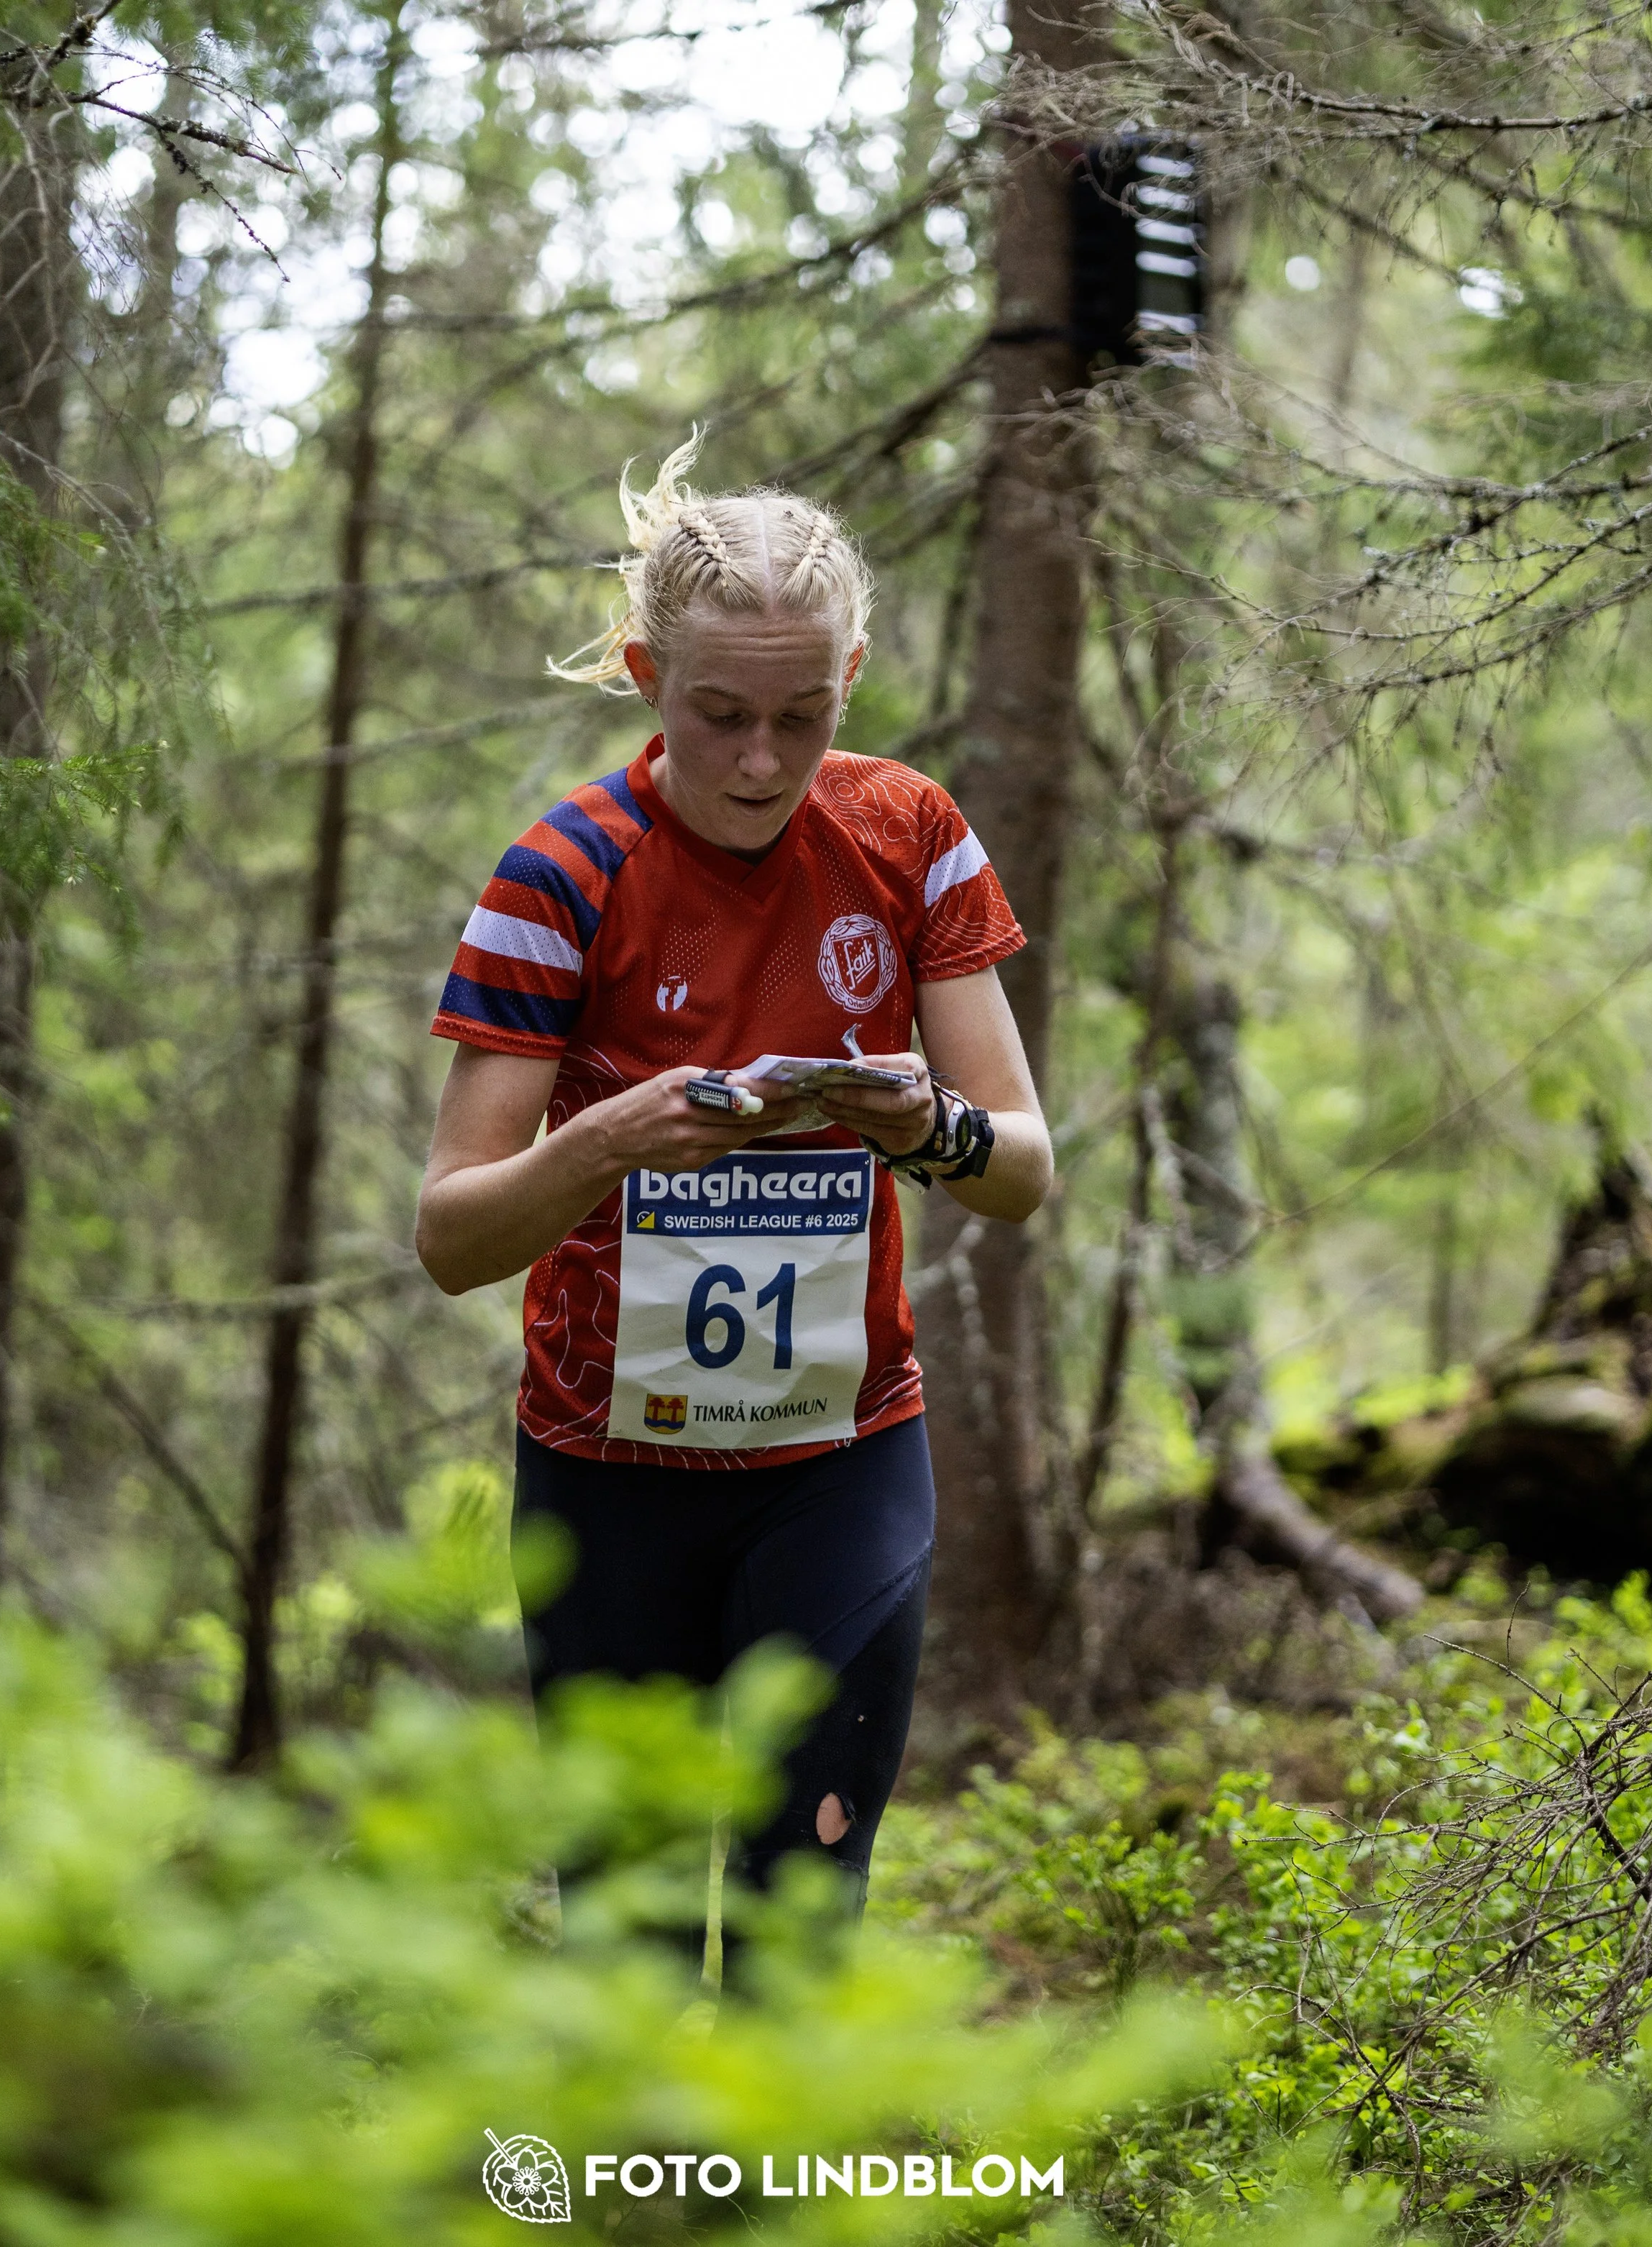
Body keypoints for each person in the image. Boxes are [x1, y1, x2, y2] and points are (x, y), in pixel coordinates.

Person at [416, 432, 1052, 1959]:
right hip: (608, 1459)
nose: (759, 760)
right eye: (718, 714)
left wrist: (927, 1124)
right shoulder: (559, 872)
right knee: (624, 1920)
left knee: (799, 1899)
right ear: (645, 673)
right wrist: (606, 1142)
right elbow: (449, 1234)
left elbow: (1023, 1168)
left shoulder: (905, 836)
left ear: (851, 675)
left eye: (799, 713)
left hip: (840, 1453)